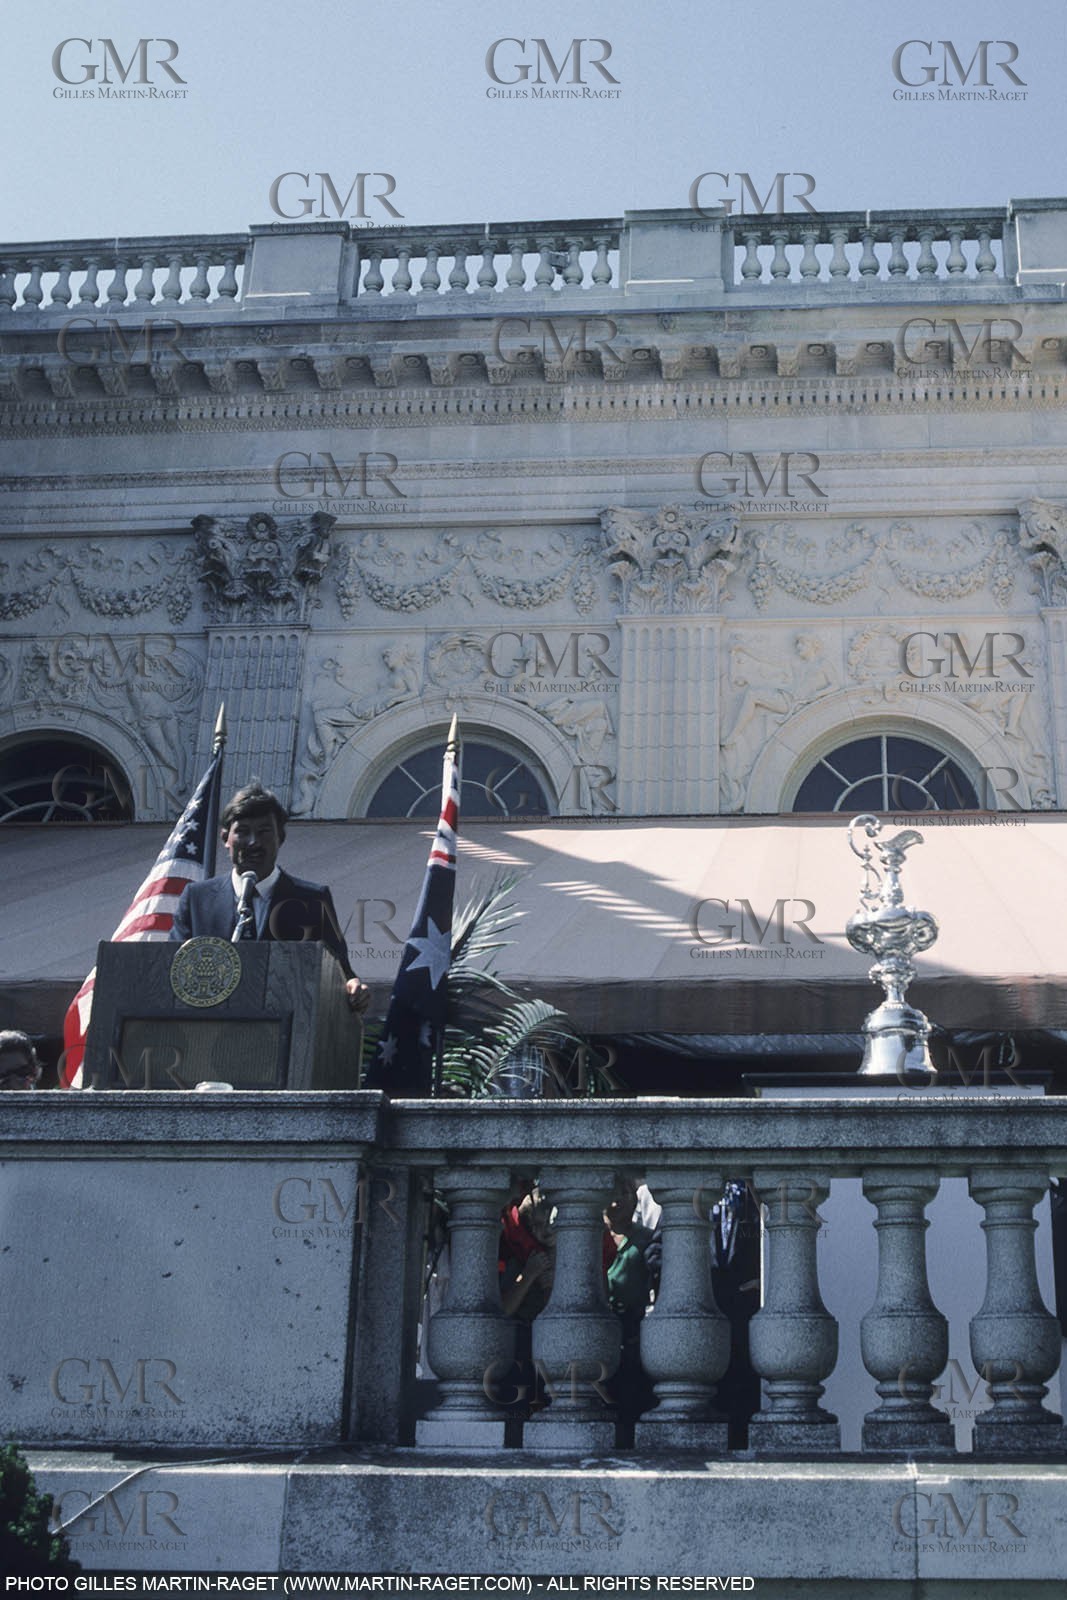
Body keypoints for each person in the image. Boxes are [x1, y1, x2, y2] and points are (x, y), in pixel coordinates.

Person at [170, 781, 369, 1012]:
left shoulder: (313, 901)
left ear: (280, 838)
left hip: (284, 1030)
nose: (253, 842)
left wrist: (354, 987)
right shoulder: (197, 899)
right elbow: (172, 966)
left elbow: (341, 972)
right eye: (242, 832)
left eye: (264, 832)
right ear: (225, 838)